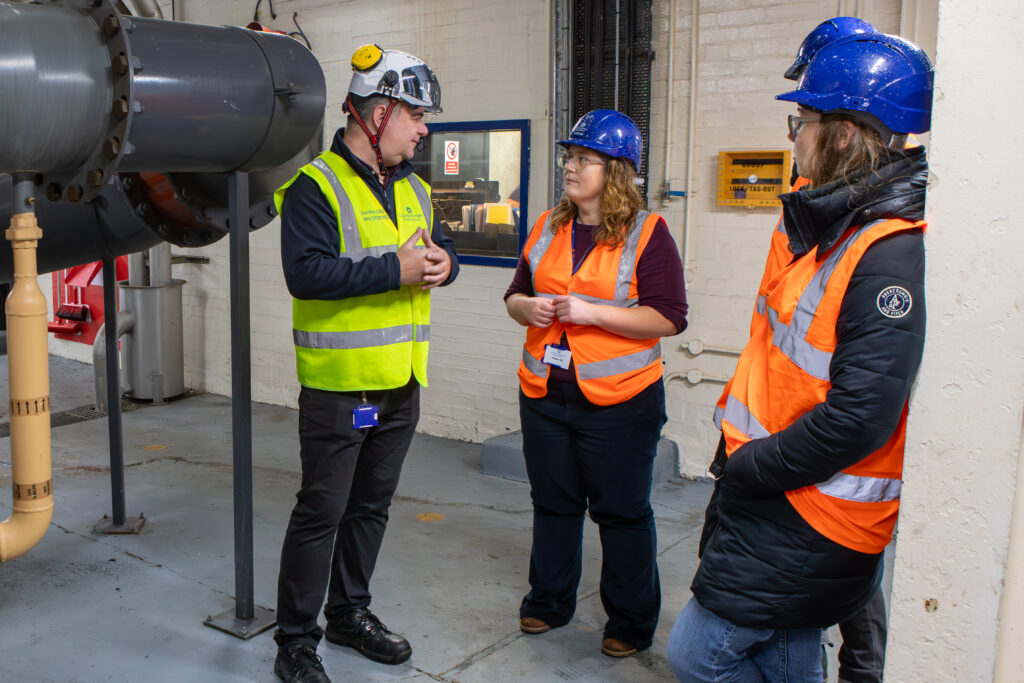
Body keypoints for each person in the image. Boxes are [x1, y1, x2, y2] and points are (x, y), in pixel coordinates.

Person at [667, 31, 933, 682]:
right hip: (781, 493)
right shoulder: (832, 225)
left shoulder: (887, 251)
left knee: (697, 654)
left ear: (843, 135)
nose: (794, 136)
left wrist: (753, 463)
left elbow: (860, 416)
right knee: (785, 652)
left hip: (810, 506)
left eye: (803, 121)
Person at [272, 44, 458, 683]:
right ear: (378, 114)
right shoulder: (313, 186)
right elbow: (307, 273)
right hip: (341, 390)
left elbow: (440, 251)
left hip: (401, 384)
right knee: (320, 514)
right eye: (416, 116)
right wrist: (396, 269)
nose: (423, 128)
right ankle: (296, 640)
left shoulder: (415, 188)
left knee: (371, 509)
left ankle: (349, 615)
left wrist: (445, 266)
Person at [504, 110, 687, 658]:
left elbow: (669, 317)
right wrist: (527, 309)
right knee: (554, 503)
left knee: (622, 512)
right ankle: (548, 602)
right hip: (544, 393)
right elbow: (513, 294)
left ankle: (629, 623)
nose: (571, 166)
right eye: (570, 156)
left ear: (618, 172)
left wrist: (592, 313)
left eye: (586, 158)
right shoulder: (547, 226)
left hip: (620, 402)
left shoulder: (648, 234)